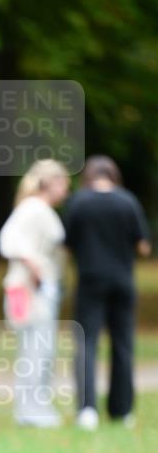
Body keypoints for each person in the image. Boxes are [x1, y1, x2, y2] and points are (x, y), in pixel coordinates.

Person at [64, 155, 152, 430]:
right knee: (123, 344)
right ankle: (122, 410)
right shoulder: (128, 201)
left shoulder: (79, 202)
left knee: (86, 343)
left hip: (90, 280)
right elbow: (143, 247)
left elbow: (67, 245)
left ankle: (87, 409)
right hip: (122, 281)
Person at [0, 159, 70, 427]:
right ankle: (31, 408)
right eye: (63, 183)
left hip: (36, 288)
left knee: (40, 348)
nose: (66, 190)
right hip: (29, 289)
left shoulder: (37, 209)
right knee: (36, 348)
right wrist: (36, 269)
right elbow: (9, 240)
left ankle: (33, 405)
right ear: (50, 182)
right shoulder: (34, 208)